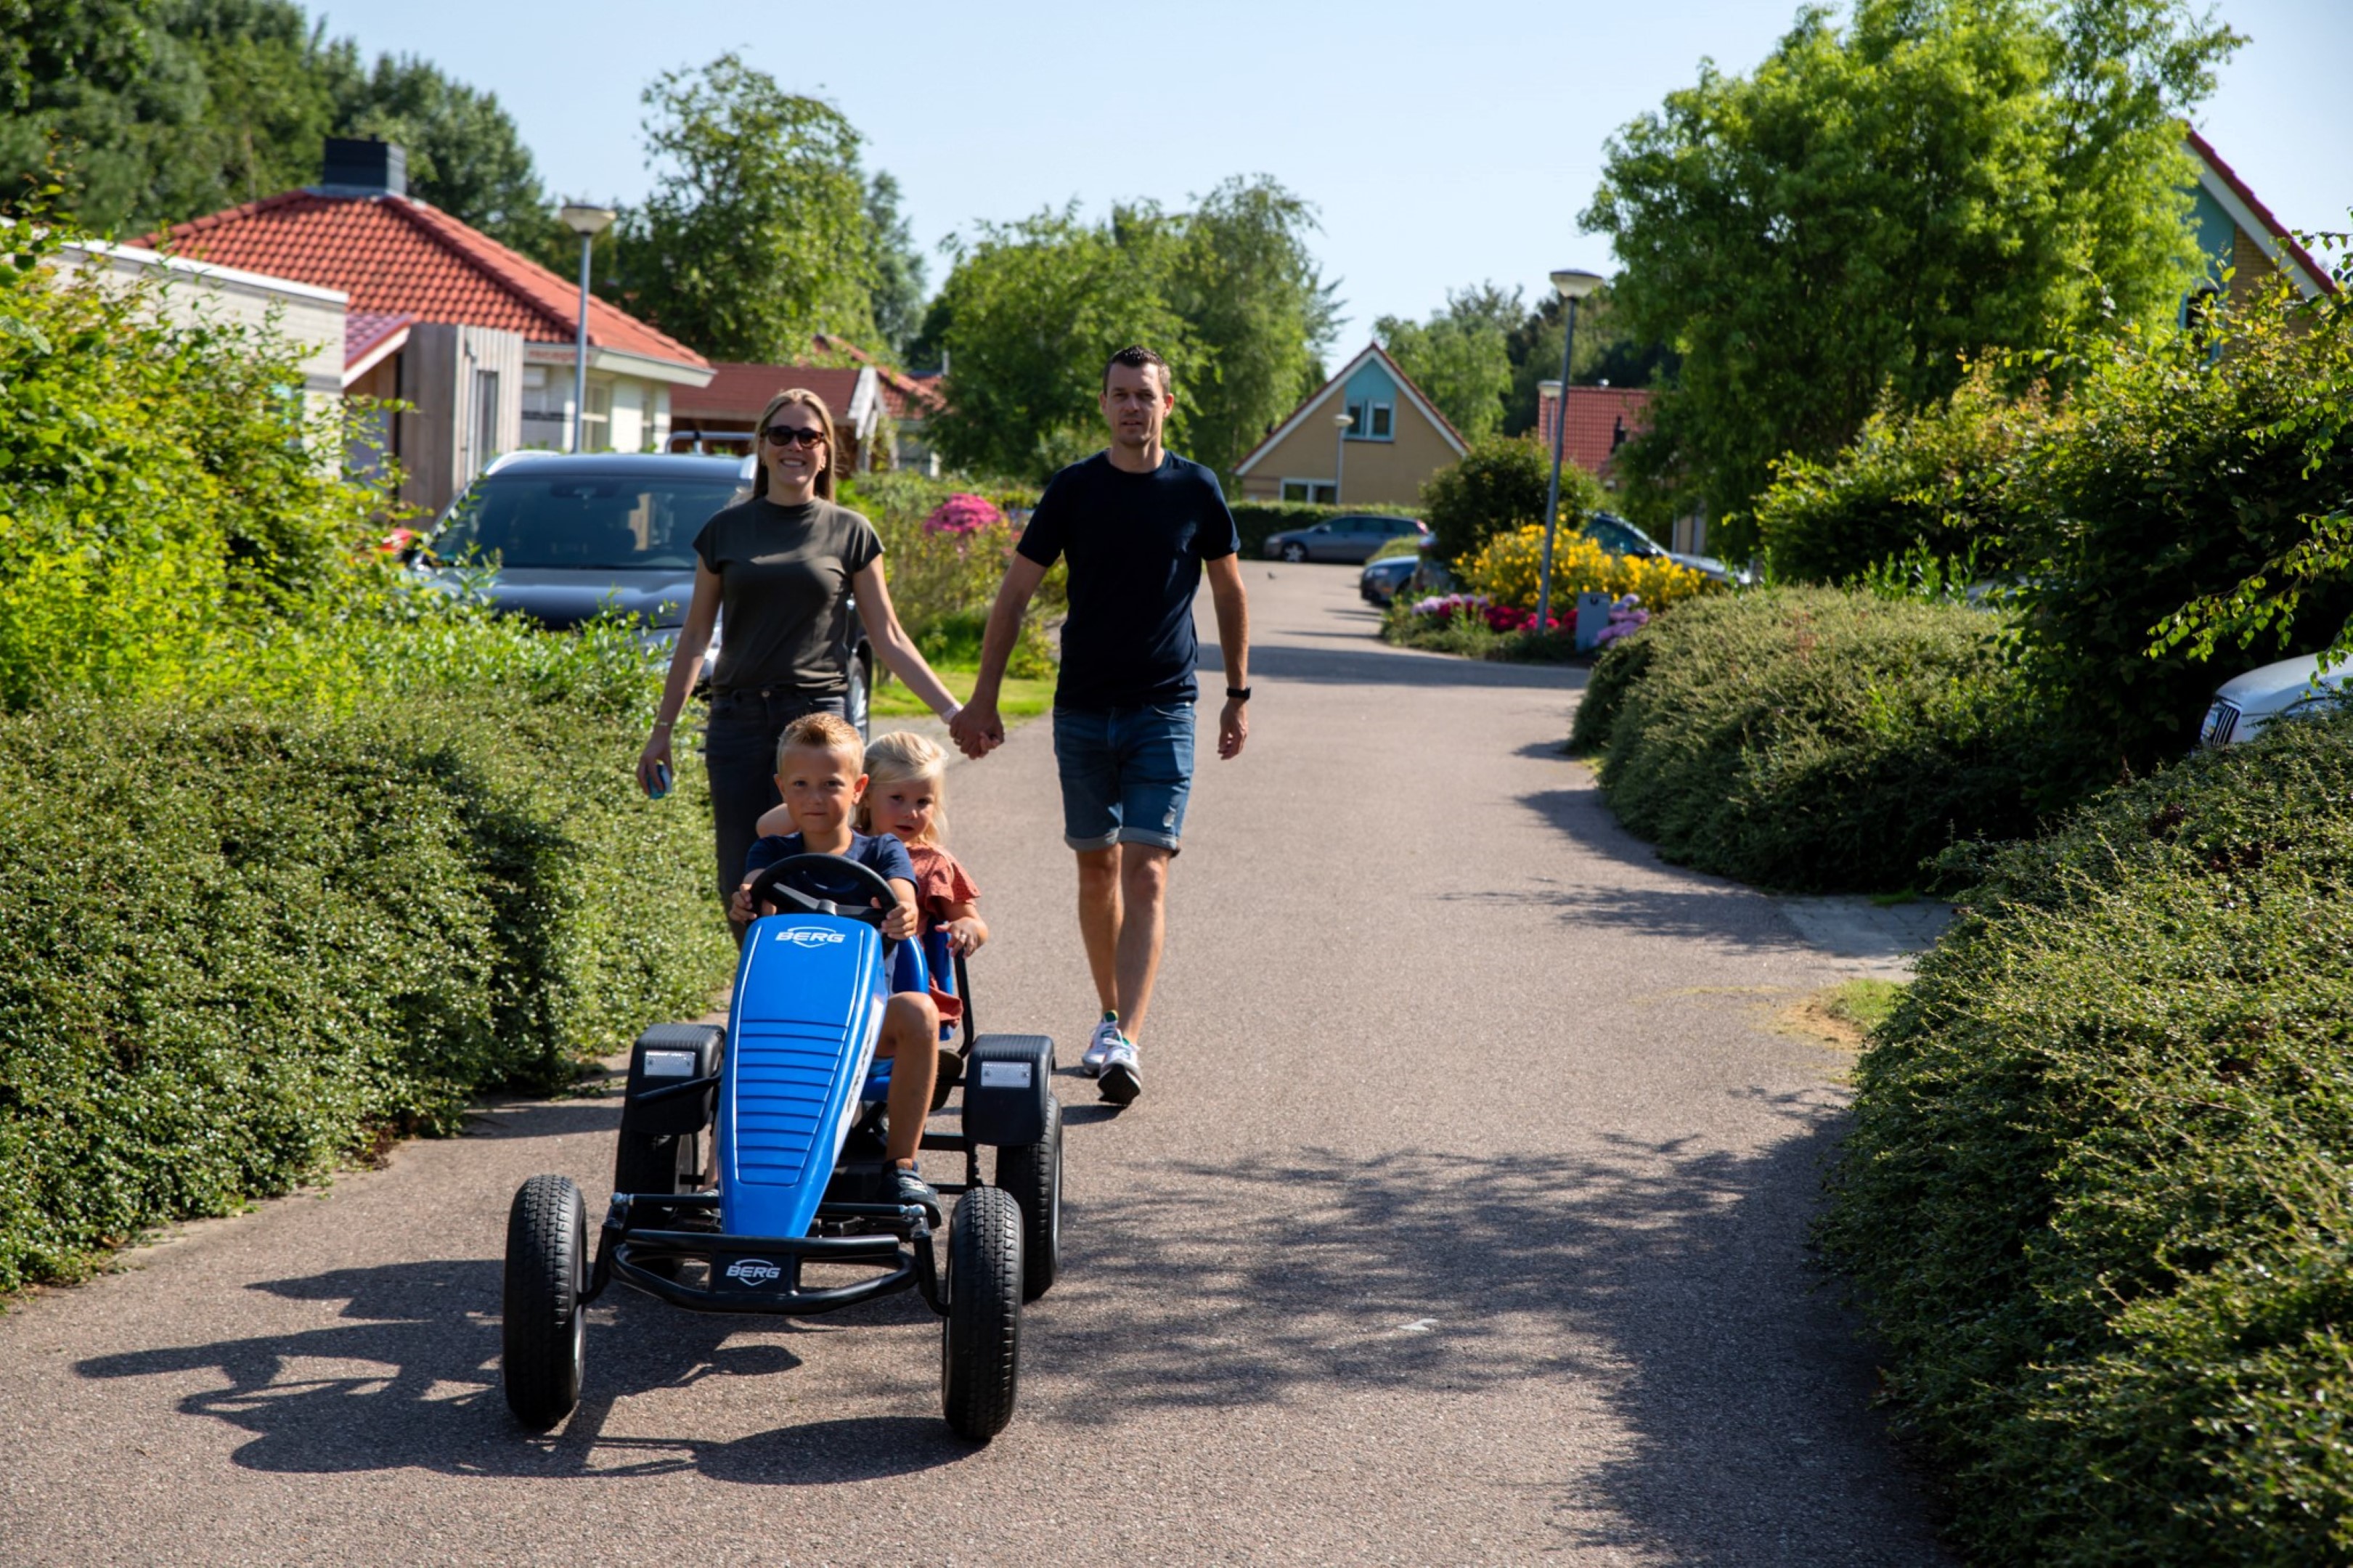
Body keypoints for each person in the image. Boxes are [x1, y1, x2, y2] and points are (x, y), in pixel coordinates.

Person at [949, 345, 1250, 1107]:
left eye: (1144, 396)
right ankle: (1110, 1013)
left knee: (1148, 867)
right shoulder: (1074, 489)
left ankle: (1124, 1039)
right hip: (1081, 708)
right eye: (1119, 395)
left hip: (1163, 707)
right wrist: (982, 701)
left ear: (1166, 405)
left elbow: (1228, 592)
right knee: (1097, 868)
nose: (1131, 407)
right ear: (1104, 404)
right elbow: (1015, 596)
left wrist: (1237, 692)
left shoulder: (1195, 489)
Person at [636, 387, 963, 919]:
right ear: (762, 447)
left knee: (828, 867)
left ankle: (828, 992)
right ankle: (763, 995)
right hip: (737, 721)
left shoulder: (851, 531)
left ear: (826, 450)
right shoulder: (724, 531)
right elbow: (696, 636)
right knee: (743, 881)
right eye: (781, 434)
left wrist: (954, 712)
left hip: (818, 722)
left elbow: (889, 637)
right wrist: (662, 730)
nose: (795, 445)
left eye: (809, 435)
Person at [730, 713, 943, 1217]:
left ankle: (902, 1168)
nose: (815, 799)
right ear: (782, 789)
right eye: (800, 785)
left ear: (859, 789)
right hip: (782, 1020)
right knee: (733, 1048)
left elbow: (903, 894)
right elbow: (755, 883)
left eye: (831, 785)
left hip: (867, 1020)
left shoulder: (882, 849)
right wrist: (746, 898)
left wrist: (904, 910)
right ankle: (722, 1188)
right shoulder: (772, 851)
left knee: (918, 1011)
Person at [757, 728, 985, 1095]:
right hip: (824, 969)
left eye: (923, 802)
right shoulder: (840, 841)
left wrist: (967, 926)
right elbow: (767, 828)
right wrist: (828, 788)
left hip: (897, 979)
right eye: (896, 798)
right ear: (865, 793)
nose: (911, 812)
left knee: (905, 1005)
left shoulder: (933, 862)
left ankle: (918, 1061)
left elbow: (971, 918)